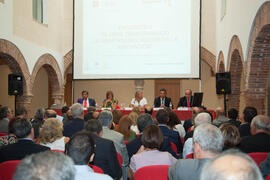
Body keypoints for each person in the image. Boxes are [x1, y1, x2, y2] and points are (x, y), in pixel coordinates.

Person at [98, 110, 129, 180]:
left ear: (99, 121)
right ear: (111, 122)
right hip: (115, 173)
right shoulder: (119, 136)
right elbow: (125, 161)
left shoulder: (92, 136)